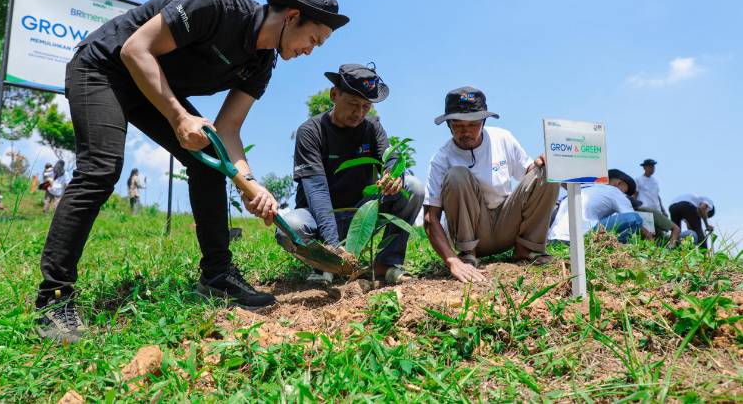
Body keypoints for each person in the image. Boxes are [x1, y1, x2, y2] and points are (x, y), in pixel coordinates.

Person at [35, 0, 349, 343]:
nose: (312, 50)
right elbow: (135, 50)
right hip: (104, 67)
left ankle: (217, 277)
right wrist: (178, 117)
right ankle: (53, 298)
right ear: (293, 16)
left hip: (149, 88)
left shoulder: (260, 64)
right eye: (315, 39)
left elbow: (228, 130)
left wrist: (251, 185)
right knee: (101, 168)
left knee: (207, 160)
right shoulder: (217, 4)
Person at [278, 64, 424, 285]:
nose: (359, 113)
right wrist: (333, 246)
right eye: (353, 104)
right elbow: (316, 190)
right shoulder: (310, 131)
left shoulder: (372, 127)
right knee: (290, 227)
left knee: (412, 188)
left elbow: (390, 157)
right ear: (334, 95)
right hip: (319, 218)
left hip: (361, 215)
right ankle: (323, 265)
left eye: (366, 106)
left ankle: (386, 264)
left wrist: (393, 174)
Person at [423, 87, 559, 283]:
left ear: (484, 122)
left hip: (508, 224)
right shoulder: (441, 158)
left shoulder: (502, 138)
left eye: (473, 124)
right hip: (473, 232)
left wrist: (545, 163)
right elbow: (430, 218)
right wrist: (452, 260)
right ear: (449, 125)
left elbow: (530, 174)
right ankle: (468, 255)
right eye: (458, 125)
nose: (466, 132)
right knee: (456, 175)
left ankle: (528, 250)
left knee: (547, 171)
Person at [549, 169, 648, 243]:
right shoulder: (614, 191)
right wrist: (649, 236)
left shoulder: (585, 187)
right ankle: (615, 249)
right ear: (618, 183)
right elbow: (631, 216)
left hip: (554, 238)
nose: (624, 196)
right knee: (635, 218)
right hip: (578, 237)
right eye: (625, 192)